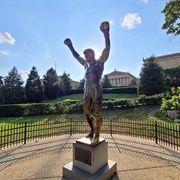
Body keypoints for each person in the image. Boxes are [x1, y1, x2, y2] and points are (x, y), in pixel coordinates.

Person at [64, 21, 110, 144]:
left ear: (91, 54)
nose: (84, 56)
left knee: (98, 113)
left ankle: (97, 135)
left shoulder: (99, 62)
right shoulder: (85, 65)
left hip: (96, 88)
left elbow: (106, 49)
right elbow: (76, 56)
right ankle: (92, 130)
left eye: (86, 54)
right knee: (86, 113)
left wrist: (106, 33)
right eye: (84, 55)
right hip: (86, 89)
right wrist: (70, 46)